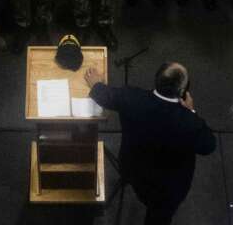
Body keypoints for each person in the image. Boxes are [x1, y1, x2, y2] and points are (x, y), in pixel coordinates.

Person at [85, 62, 216, 225]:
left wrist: (96, 84)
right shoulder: (189, 122)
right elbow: (209, 145)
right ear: (183, 91)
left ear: (157, 80)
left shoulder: (131, 97)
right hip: (167, 189)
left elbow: (106, 96)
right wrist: (191, 111)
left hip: (133, 168)